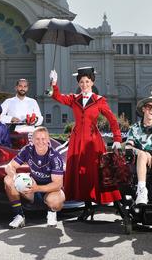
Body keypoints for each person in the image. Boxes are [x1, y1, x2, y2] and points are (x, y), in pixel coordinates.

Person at [50, 67, 122, 212]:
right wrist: (54, 83)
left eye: (87, 81)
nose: (84, 84)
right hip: (77, 140)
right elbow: (57, 97)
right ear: (78, 84)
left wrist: (117, 138)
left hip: (92, 141)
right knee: (78, 171)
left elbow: (112, 120)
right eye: (81, 82)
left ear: (92, 82)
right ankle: (85, 205)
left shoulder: (99, 100)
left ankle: (99, 201)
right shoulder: (73, 99)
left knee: (93, 171)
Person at [4, 126, 65, 228]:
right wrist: (15, 177)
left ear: (48, 140)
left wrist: (38, 188)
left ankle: (51, 213)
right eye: (37, 139)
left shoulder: (55, 157)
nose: (40, 142)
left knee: (56, 202)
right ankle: (19, 215)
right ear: (32, 140)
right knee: (8, 180)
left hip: (50, 190)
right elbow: (9, 166)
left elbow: (58, 185)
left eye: (43, 139)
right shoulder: (28, 149)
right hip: (32, 186)